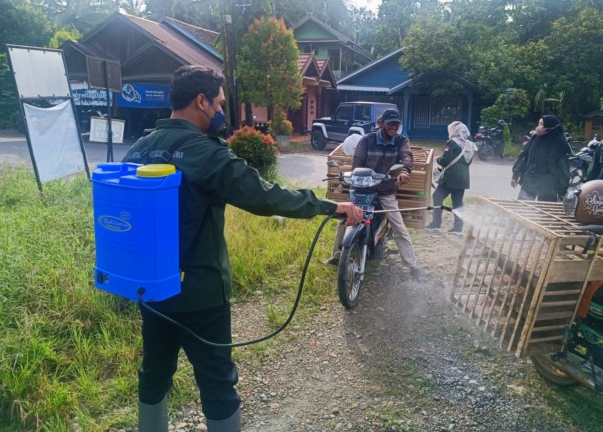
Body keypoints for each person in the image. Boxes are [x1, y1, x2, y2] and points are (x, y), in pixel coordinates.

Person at [122, 65, 363, 432]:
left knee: (154, 371)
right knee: (217, 383)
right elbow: (264, 195)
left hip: (150, 289)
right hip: (201, 295)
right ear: (201, 101)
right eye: (218, 102)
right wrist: (331, 207)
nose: (221, 111)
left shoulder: (138, 150)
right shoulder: (205, 154)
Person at [326, 109, 423, 279]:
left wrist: (405, 172)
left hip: (386, 190)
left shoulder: (401, 141)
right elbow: (357, 164)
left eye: (396, 123)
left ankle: (412, 265)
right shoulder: (367, 140)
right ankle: (336, 256)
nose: (394, 126)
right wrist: (353, 179)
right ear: (381, 123)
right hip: (364, 189)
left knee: (399, 225)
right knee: (344, 220)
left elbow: (407, 157)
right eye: (390, 123)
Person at [427, 121, 475, 234]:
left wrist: (438, 159)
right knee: (458, 202)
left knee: (437, 196)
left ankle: (435, 224)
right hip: (463, 178)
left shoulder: (452, 143)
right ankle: (458, 228)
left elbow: (444, 160)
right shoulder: (470, 144)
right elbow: (469, 162)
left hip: (451, 177)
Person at [511, 114, 571, 201]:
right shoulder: (534, 138)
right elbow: (523, 156)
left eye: (542, 124)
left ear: (550, 126)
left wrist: (562, 191)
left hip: (548, 186)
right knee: (522, 208)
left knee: (545, 212)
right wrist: (515, 175)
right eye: (539, 124)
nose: (538, 127)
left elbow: (564, 171)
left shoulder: (560, 145)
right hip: (530, 181)